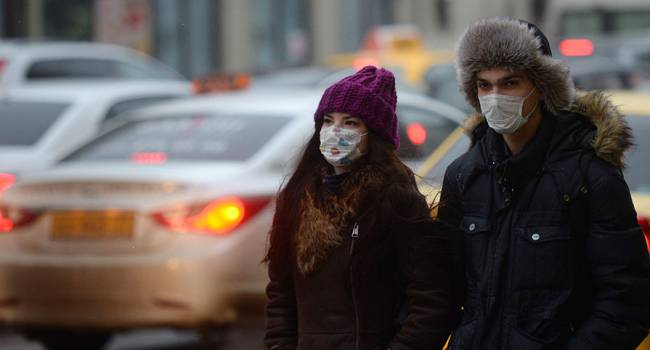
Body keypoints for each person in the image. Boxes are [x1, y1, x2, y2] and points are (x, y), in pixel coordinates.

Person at [438, 17, 650, 349]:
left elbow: (627, 300)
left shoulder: (589, 177)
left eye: (510, 83)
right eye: (484, 85)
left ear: (541, 87)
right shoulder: (464, 176)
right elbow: (442, 291)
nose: (495, 97)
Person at [263, 66, 454, 350]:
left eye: (350, 123)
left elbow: (432, 299)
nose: (334, 132)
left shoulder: (394, 197)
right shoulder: (297, 197)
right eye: (328, 121)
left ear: (373, 135)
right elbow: (281, 293)